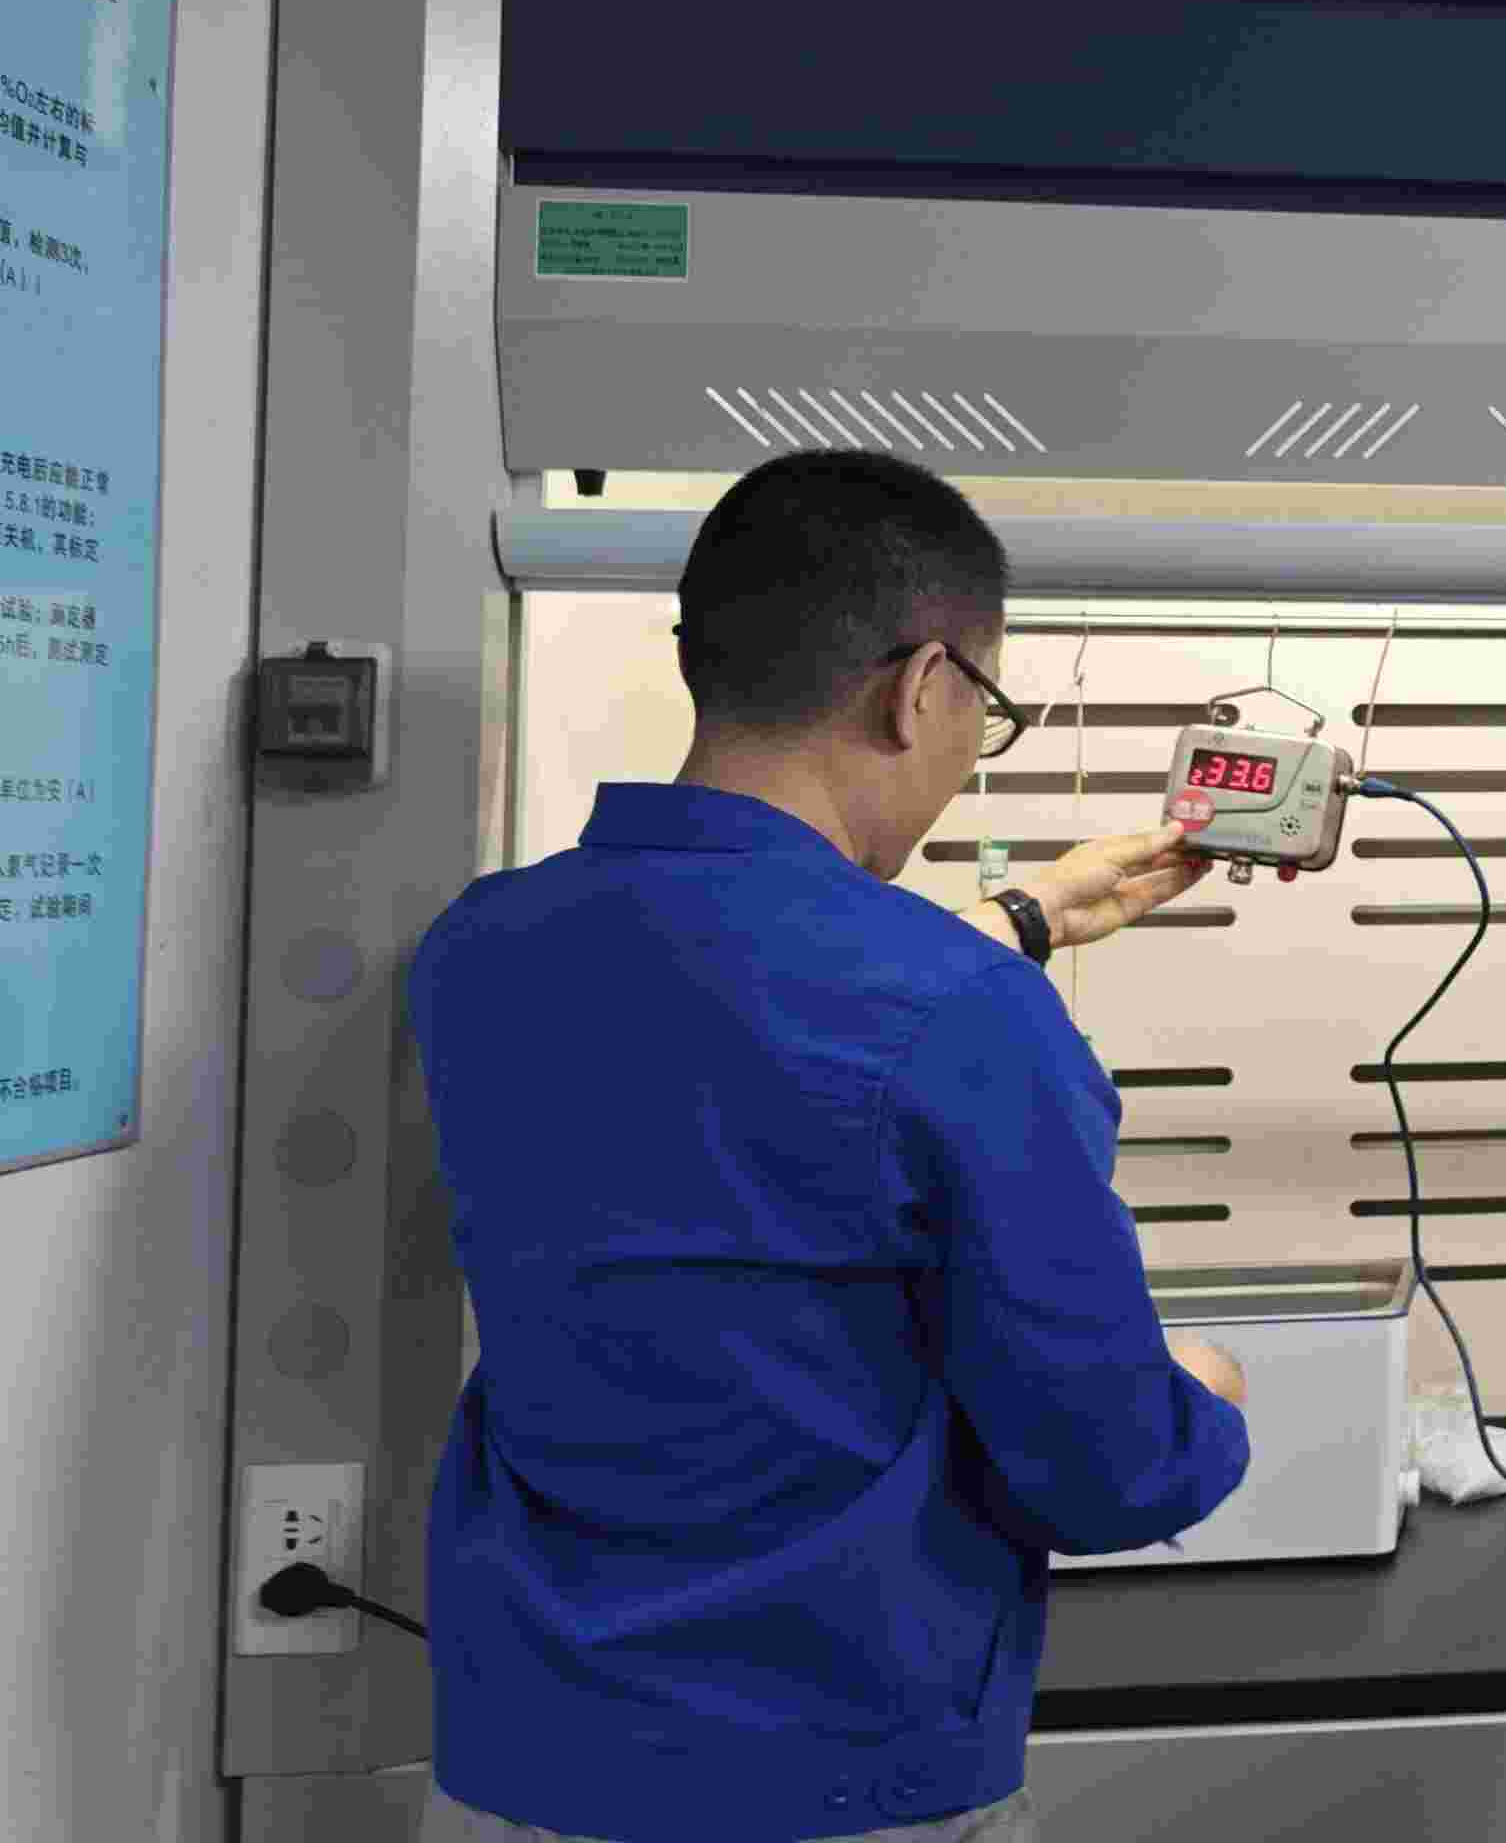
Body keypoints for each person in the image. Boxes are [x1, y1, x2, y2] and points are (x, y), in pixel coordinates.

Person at [412, 452, 1253, 1843]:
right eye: (986, 711)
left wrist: (1022, 921)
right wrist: (1203, 1395)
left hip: (530, 1752)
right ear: (921, 688)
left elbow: (731, 1029)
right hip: (833, 1771)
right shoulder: (958, 1013)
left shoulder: (478, 954)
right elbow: (1108, 1471)